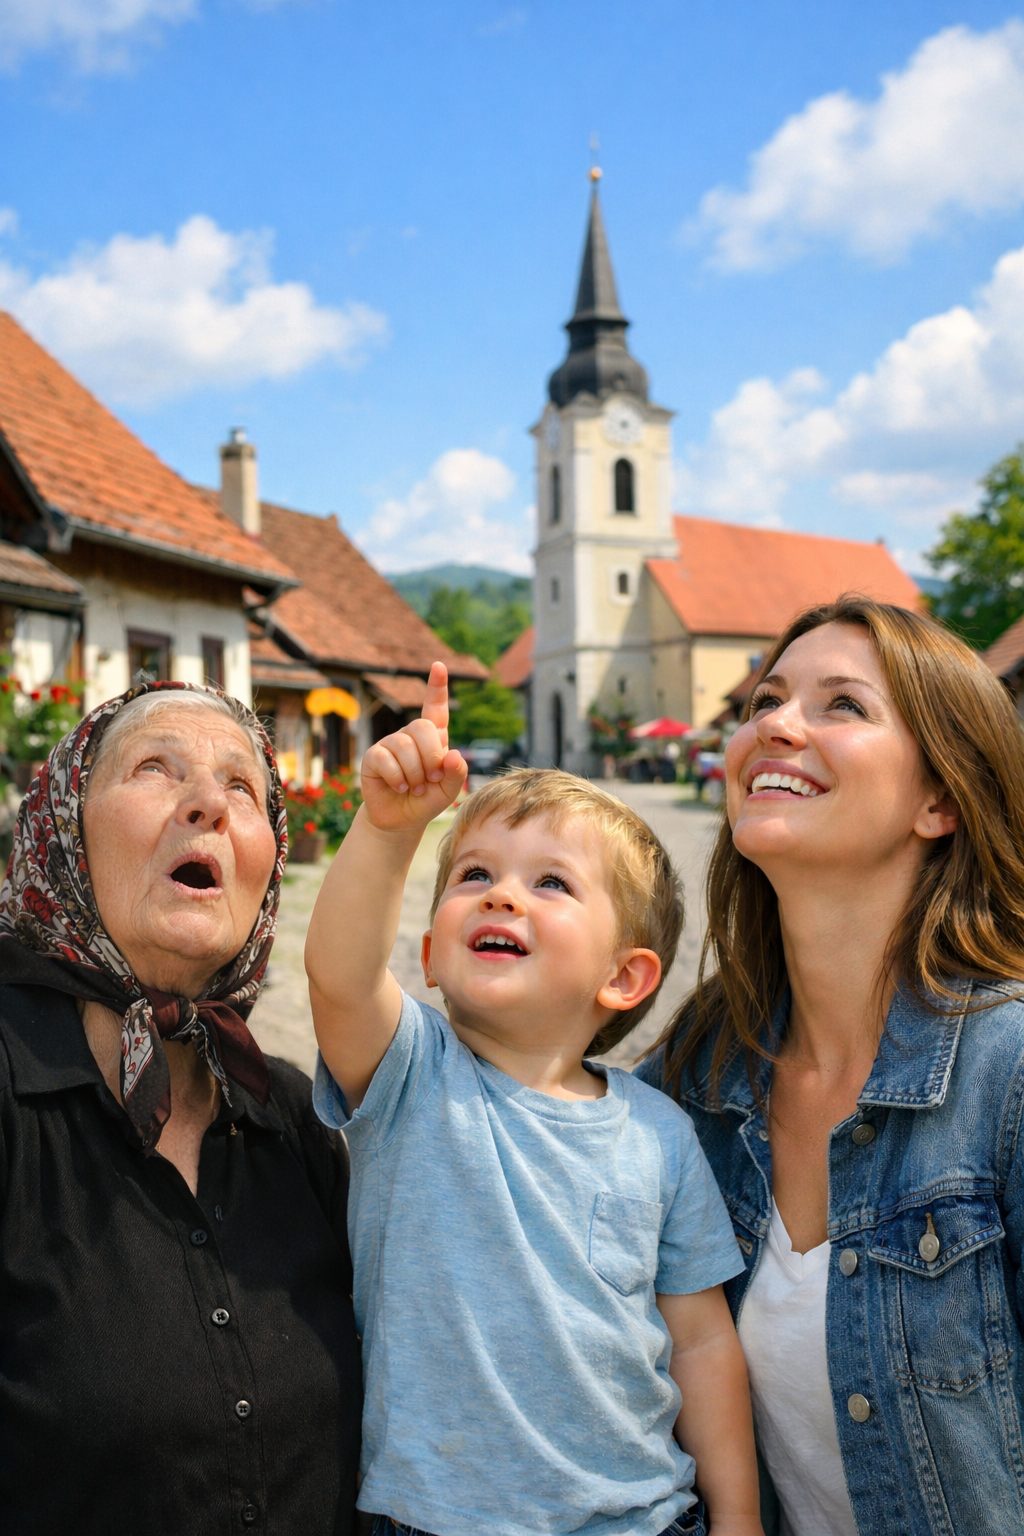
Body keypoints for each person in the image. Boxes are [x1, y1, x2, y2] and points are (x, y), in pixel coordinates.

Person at [306, 662, 762, 1536]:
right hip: (433, 1518)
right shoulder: (411, 1075)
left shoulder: (659, 1135)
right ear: (433, 952)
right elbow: (337, 973)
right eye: (473, 875)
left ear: (624, 978)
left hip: (639, 1517)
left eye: (552, 883)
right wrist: (391, 828)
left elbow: (702, 1344)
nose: (502, 892)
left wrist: (738, 1517)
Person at [638, 596, 1024, 1536]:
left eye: (841, 705)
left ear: (940, 800)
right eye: (765, 699)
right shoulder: (698, 1069)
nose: (774, 723)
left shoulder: (1007, 1074)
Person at [0, 679, 361, 1536]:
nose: (209, 803)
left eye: (243, 787)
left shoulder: (299, 1119)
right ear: (62, 831)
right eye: (155, 768)